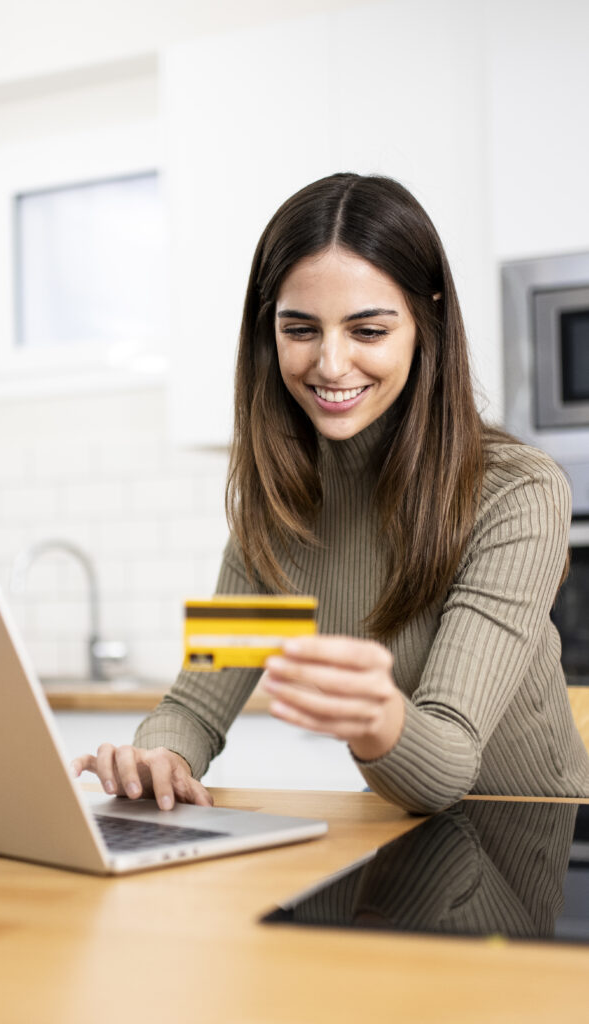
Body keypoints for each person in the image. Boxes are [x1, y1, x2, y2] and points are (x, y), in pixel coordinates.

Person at [71, 173, 589, 813]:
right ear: (269, 332)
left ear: (425, 322)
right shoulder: (279, 502)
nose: (332, 364)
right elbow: (196, 706)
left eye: (368, 331)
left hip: (544, 849)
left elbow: (447, 766)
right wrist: (160, 758)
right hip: (397, 839)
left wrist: (376, 719)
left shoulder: (517, 492)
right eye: (301, 330)